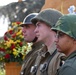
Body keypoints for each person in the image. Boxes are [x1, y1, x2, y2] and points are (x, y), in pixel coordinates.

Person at [31, 8, 65, 75]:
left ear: (51, 26)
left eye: (39, 25)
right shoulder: (40, 54)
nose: (35, 30)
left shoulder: (61, 55)